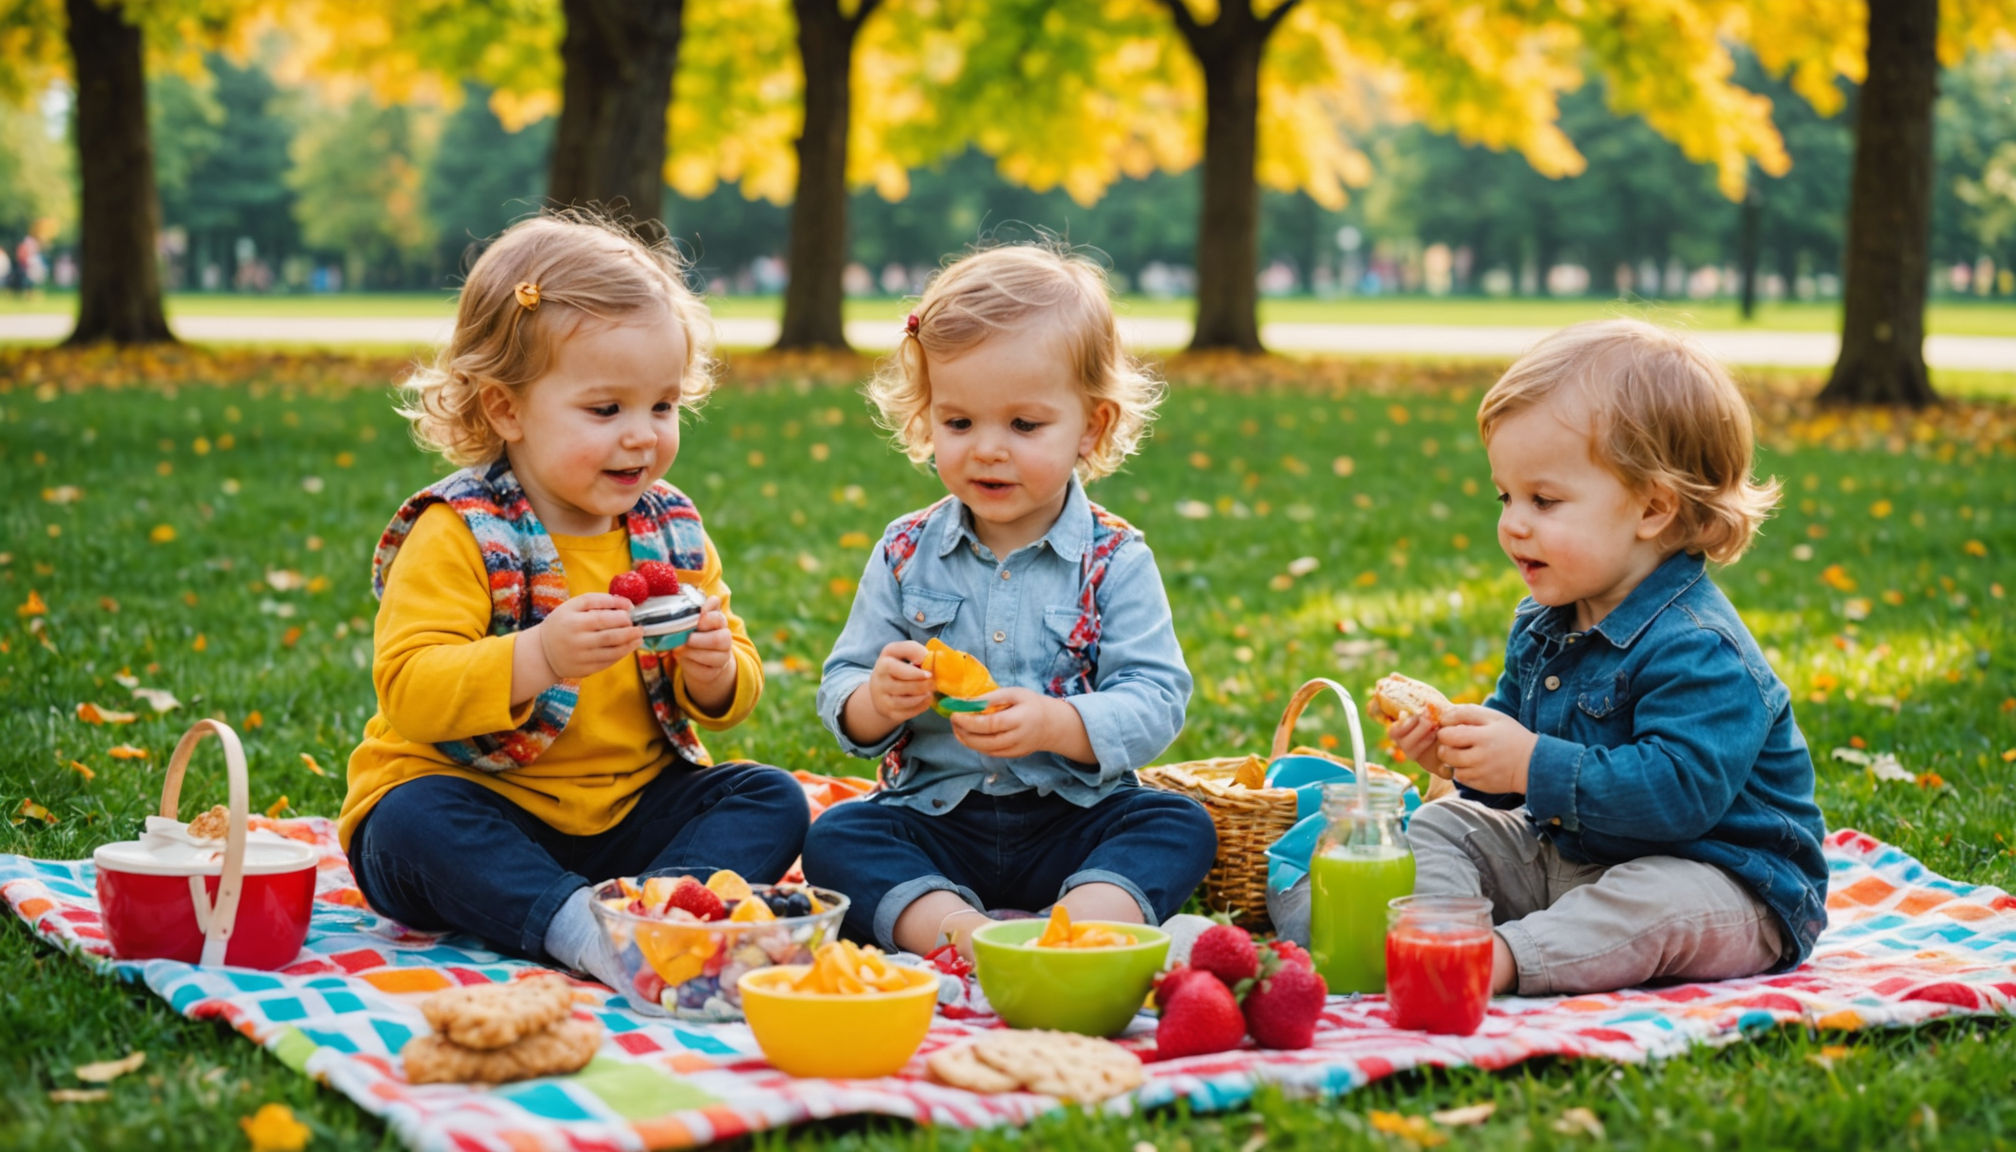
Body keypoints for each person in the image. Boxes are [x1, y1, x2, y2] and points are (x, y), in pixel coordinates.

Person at [340, 212, 807, 994]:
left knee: (770, 797)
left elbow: (729, 695)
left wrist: (716, 666)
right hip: (482, 801)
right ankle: (584, 930)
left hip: (630, 817)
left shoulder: (671, 529)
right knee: (410, 824)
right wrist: (539, 656)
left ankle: (656, 914)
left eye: (662, 407)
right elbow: (411, 691)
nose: (642, 437)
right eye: (606, 410)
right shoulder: (460, 532)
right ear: (506, 410)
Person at [1389, 319, 1827, 996]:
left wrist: (1529, 760)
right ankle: (1435, 937)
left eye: (1545, 500)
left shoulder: (1701, 648)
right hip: (1573, 859)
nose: (1513, 523)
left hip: (1721, 880)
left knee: (1652, 900)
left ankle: (1491, 963)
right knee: (1440, 821)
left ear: (1652, 508)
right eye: (1505, 496)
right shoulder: (1542, 624)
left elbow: (1676, 797)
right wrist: (1461, 758)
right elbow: (1512, 770)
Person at [802, 244, 1215, 957]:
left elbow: (1156, 696)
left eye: (1024, 426)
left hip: (1076, 815)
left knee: (1177, 825)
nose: (988, 449)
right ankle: (968, 934)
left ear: (1091, 427)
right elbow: (843, 688)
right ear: (927, 418)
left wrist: (1058, 722)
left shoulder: (1114, 558)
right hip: (936, 817)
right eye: (959, 424)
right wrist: (880, 697)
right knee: (838, 837)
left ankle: (1078, 928)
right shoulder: (905, 552)